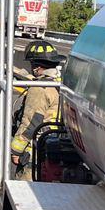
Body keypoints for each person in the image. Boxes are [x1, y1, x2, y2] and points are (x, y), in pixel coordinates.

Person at [11, 42, 65, 180]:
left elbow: (31, 122)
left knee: (25, 194)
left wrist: (16, 150)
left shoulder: (39, 88)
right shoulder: (60, 84)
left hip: (35, 152)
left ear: (37, 66)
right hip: (55, 147)